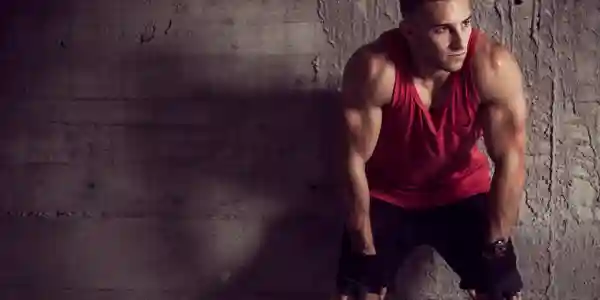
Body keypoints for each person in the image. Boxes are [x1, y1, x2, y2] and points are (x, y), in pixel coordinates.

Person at [334, 0, 527, 299]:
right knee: (357, 291)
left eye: (465, 24)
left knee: (500, 290)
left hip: (460, 191)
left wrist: (497, 248)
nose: (459, 42)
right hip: (389, 194)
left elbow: (510, 159)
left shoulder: (491, 66)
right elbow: (352, 161)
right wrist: (363, 249)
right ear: (409, 32)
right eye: (442, 30)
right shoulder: (376, 70)